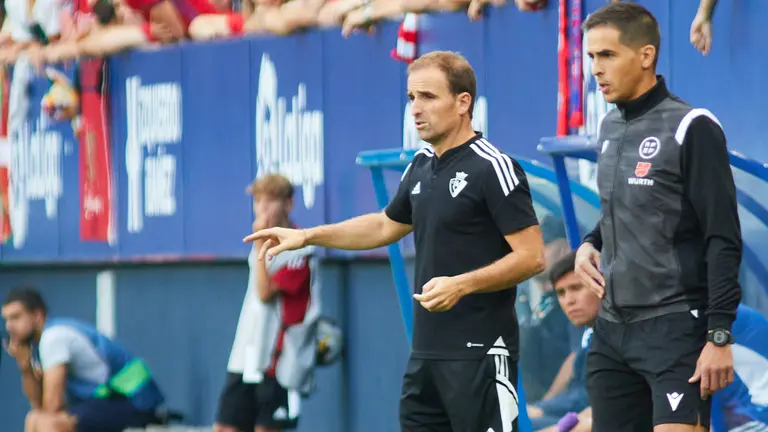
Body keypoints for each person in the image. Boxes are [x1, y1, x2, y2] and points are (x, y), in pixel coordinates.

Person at [244, 50, 545, 432]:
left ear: (463, 102)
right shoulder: (421, 164)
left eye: (428, 97)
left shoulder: (493, 166)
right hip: (425, 356)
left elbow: (532, 256)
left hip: (482, 353)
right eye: (411, 98)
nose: (416, 109)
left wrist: (462, 284)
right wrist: (306, 236)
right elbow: (385, 226)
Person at [575, 3, 742, 432]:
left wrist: (718, 335)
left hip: (674, 328)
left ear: (645, 55)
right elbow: (618, 211)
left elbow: (722, 237)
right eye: (591, 57)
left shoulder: (691, 125)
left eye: (607, 55)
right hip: (612, 332)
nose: (596, 68)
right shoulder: (610, 128)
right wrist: (589, 243)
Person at [215, 174, 321, 432]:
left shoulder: (300, 250)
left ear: (288, 204)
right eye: (258, 200)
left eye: (270, 200)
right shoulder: (260, 244)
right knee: (224, 426)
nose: (262, 208)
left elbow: (265, 292)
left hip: (279, 365)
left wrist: (260, 241)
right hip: (246, 357)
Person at [1, 288, 165, 432]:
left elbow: (52, 406)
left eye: (16, 317)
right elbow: (38, 407)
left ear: (37, 316)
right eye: (6, 319)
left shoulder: (54, 337)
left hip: (133, 401)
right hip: (103, 403)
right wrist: (25, 367)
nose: (9, 326)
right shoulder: (37, 345)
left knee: (51, 424)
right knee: (34, 418)